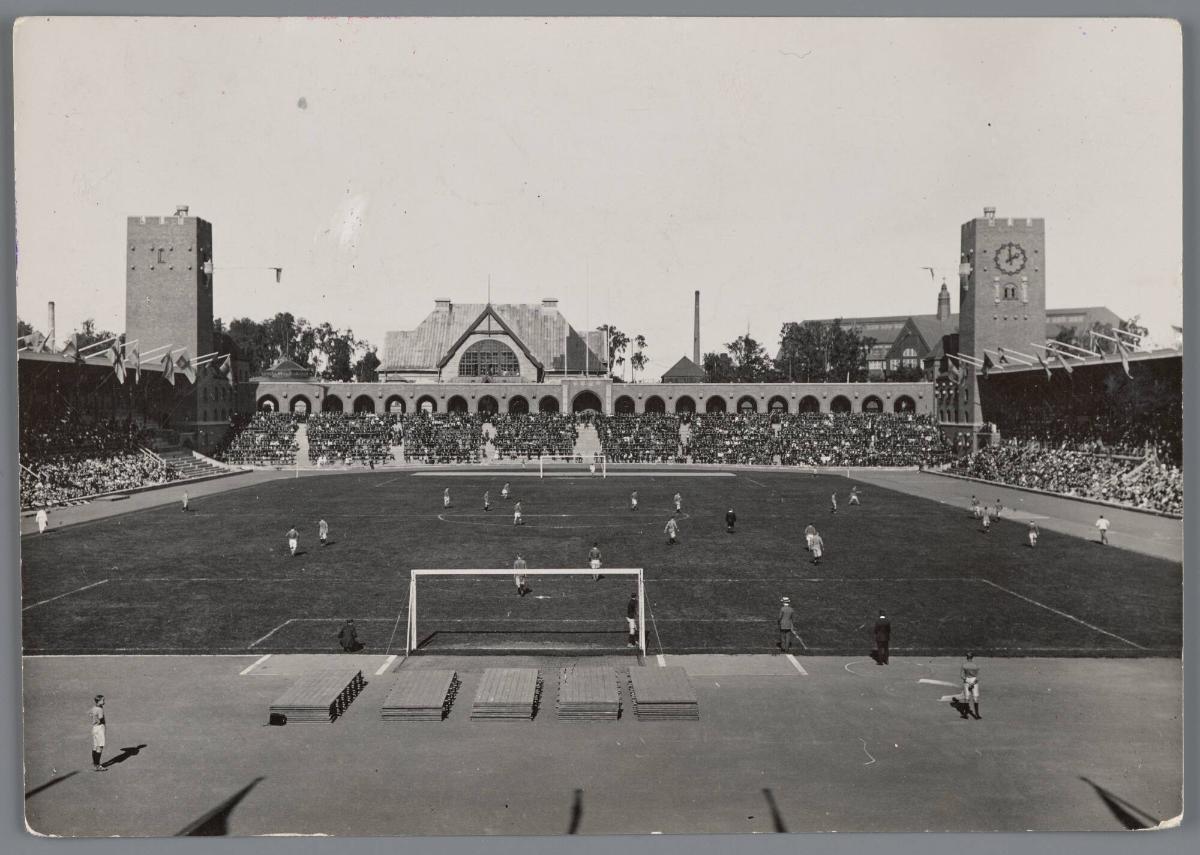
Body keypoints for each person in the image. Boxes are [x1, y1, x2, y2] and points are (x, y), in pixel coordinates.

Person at [960, 652, 981, 719]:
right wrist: (973, 683)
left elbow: (961, 676)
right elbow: (978, 677)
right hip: (974, 681)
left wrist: (967, 681)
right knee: (975, 698)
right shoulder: (976, 665)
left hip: (967, 680)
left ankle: (965, 715)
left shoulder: (964, 665)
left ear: (967, 657)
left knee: (967, 698)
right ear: (972, 657)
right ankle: (977, 715)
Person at [90, 694, 107, 771]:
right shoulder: (100, 710)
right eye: (103, 700)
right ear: (99, 701)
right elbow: (100, 718)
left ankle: (94, 763)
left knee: (95, 746)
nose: (104, 702)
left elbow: (90, 713)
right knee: (100, 747)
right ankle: (98, 765)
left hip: (94, 729)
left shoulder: (94, 708)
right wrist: (98, 721)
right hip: (99, 728)